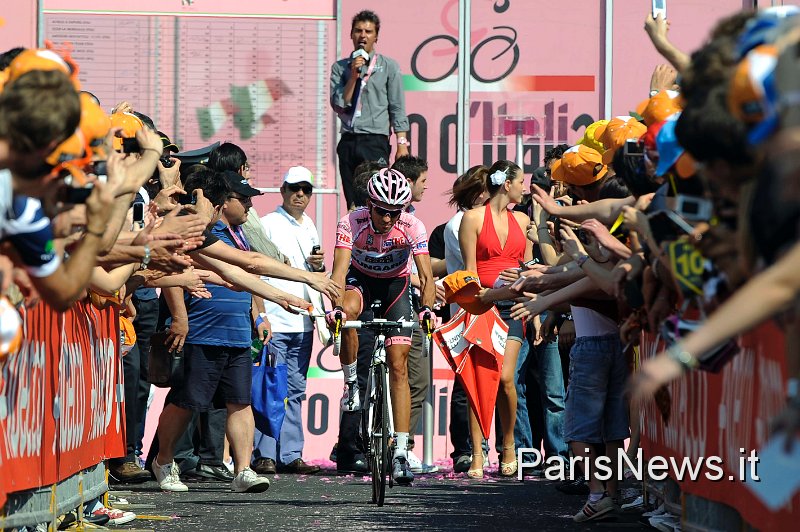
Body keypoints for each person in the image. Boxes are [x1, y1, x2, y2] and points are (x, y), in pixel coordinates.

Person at [327, 168, 435, 484]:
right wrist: (334, 308)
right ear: (369, 204)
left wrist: (427, 308)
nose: (387, 218)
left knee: (399, 367)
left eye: (394, 212)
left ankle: (399, 452)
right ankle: (352, 385)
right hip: (359, 281)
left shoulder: (412, 226)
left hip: (395, 288)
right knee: (347, 312)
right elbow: (339, 270)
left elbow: (426, 276)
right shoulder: (351, 223)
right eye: (381, 211)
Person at [458, 160, 532, 478]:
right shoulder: (473, 218)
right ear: (506, 184)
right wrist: (482, 301)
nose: (524, 187)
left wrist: (537, 309)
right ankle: (477, 451)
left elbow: (530, 270)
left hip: (513, 307)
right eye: (520, 182)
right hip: (481, 305)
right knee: (480, 381)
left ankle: (508, 442)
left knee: (505, 378)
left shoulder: (523, 219)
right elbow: (469, 272)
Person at [252, 166, 323, 476]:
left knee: (295, 388)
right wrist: (262, 314)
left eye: (306, 189)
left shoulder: (309, 226)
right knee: (271, 386)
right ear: (282, 190)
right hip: (276, 320)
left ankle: (290, 453)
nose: (300, 194)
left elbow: (314, 274)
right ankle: (264, 453)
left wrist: (317, 265)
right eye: (295, 187)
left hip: (302, 321)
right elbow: (254, 269)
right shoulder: (267, 224)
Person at [330, 10, 409, 209]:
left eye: (368, 31)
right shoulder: (340, 68)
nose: (362, 35)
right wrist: (354, 76)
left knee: (377, 197)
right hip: (349, 138)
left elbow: (397, 106)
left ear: (376, 36)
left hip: (375, 139)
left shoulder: (388, 66)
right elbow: (339, 103)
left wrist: (402, 143)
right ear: (351, 34)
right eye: (358, 30)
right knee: (353, 202)